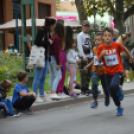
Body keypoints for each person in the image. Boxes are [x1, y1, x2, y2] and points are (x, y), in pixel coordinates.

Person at [97, 27, 133, 116]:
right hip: (108, 72)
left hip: (118, 70)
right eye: (105, 35)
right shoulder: (101, 48)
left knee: (114, 85)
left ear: (112, 36)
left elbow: (125, 49)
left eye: (109, 35)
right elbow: (99, 62)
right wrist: (101, 55)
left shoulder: (116, 45)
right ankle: (119, 106)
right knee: (111, 92)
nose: (107, 37)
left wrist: (131, 57)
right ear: (102, 37)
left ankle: (119, 89)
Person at [33, 17, 56, 102]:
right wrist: (48, 42)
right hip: (40, 57)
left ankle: (42, 95)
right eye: (54, 25)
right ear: (51, 25)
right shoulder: (42, 31)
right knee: (38, 76)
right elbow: (37, 42)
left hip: (46, 57)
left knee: (43, 77)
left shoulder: (47, 32)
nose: (54, 27)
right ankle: (34, 95)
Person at [84, 32, 109, 108]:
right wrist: (89, 65)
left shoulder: (106, 49)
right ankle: (95, 101)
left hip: (104, 71)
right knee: (94, 83)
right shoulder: (94, 48)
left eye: (99, 40)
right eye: (95, 40)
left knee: (105, 87)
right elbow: (95, 59)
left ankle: (107, 97)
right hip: (96, 69)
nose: (97, 42)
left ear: (103, 40)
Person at [77, 20, 93, 95]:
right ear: (82, 27)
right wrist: (83, 56)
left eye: (87, 26)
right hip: (84, 56)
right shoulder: (80, 35)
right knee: (84, 73)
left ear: (89, 27)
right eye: (85, 26)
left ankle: (87, 87)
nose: (86, 28)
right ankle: (83, 89)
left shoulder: (88, 35)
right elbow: (80, 46)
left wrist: (92, 55)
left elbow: (90, 46)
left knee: (89, 73)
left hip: (90, 55)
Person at [49, 23, 65, 100]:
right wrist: (59, 62)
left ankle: (52, 91)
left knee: (52, 75)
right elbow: (56, 51)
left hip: (49, 58)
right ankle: (53, 92)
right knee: (58, 76)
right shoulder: (58, 38)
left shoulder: (52, 37)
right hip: (54, 58)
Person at [56, 20, 68, 98]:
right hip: (60, 53)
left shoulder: (61, 36)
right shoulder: (57, 37)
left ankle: (61, 90)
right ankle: (58, 90)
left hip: (62, 53)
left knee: (63, 73)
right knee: (60, 74)